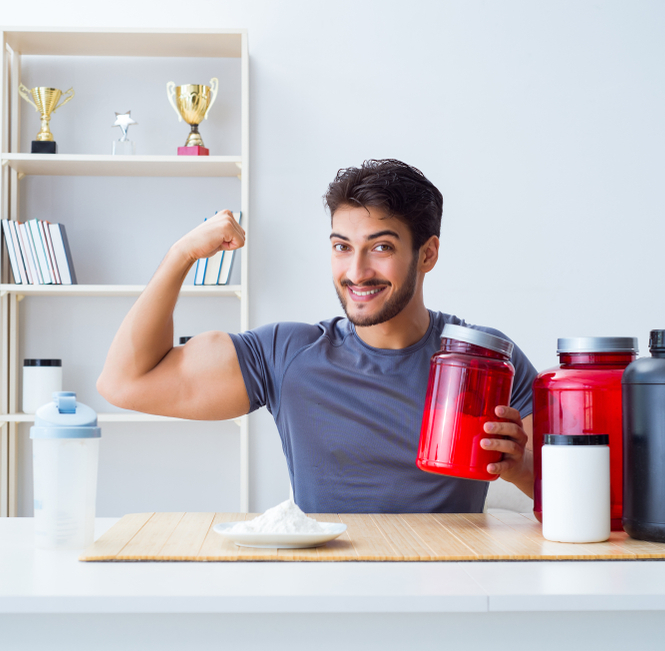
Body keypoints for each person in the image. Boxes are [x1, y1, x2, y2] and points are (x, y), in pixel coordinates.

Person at [97, 159, 537, 513]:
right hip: (328, 595)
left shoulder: (484, 358)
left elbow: (571, 497)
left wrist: (518, 469)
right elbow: (124, 383)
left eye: (380, 247)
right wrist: (181, 255)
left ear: (427, 253)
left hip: (447, 595)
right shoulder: (285, 356)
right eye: (342, 247)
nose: (357, 271)